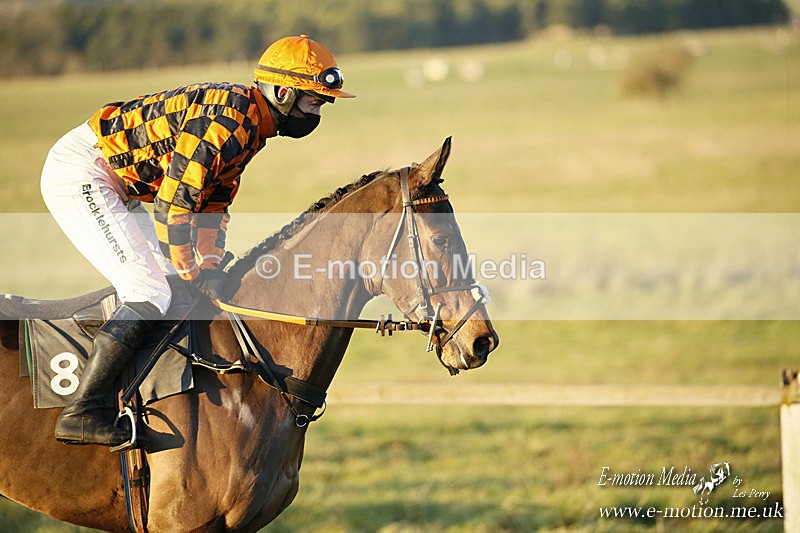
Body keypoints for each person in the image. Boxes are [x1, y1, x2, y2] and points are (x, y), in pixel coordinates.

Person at [41, 35, 355, 447]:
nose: (318, 111)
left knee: (173, 287)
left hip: (123, 184)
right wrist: (192, 267)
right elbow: (174, 203)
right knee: (150, 290)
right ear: (283, 92)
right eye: (315, 100)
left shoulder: (251, 125)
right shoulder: (233, 119)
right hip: (85, 173)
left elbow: (213, 202)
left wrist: (207, 265)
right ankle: (82, 411)